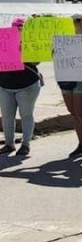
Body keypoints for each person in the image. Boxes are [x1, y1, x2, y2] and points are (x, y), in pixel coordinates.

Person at [0, 17, 43, 157]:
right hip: (5, 85)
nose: (18, 30)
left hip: (27, 85)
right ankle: (9, 144)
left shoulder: (32, 42)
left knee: (26, 115)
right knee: (7, 116)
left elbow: (37, 61)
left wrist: (23, 52)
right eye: (16, 28)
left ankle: (25, 144)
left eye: (21, 28)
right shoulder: (3, 41)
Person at [59, 13, 82, 158]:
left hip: (81, 78)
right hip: (66, 77)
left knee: (80, 112)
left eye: (77, 21)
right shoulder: (64, 37)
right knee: (73, 112)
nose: (74, 23)